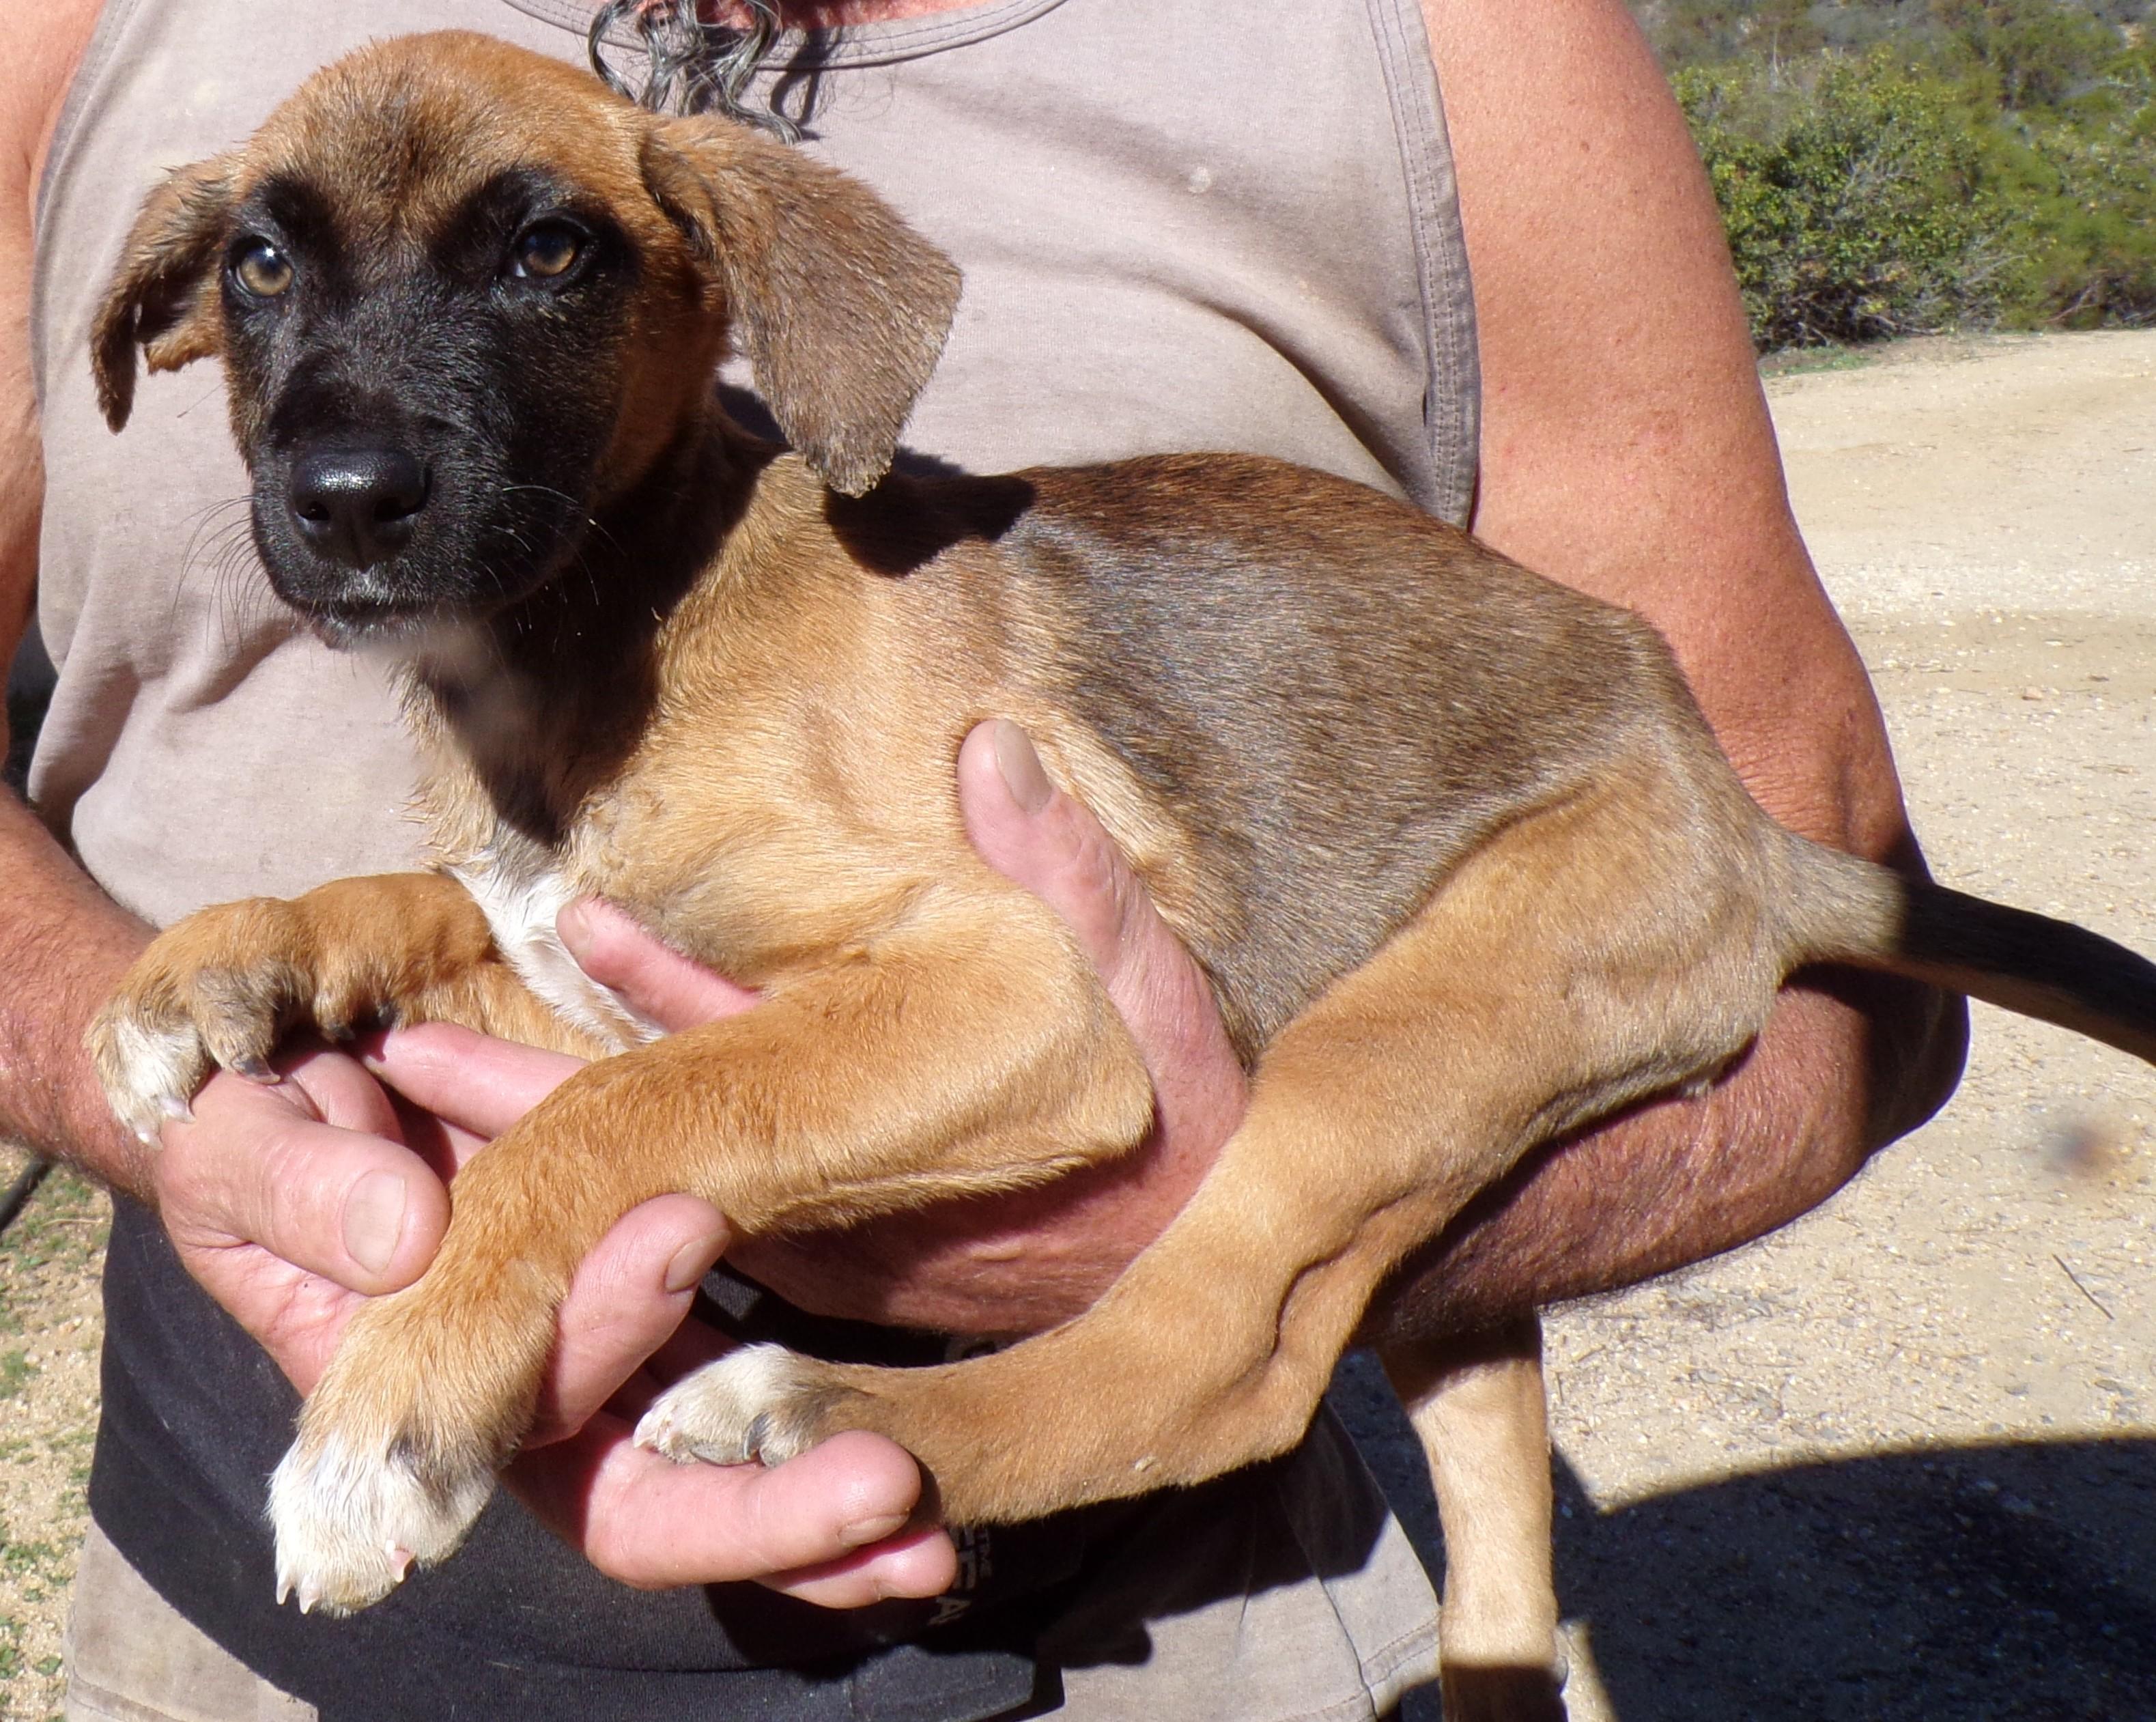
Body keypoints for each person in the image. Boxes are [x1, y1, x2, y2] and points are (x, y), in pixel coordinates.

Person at [0, 0, 1966, 1717]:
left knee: (1394, 1064)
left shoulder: (1450, 43)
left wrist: (1265, 1233)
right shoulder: (71, 34)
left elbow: (1810, 920)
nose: (349, 456)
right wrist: (162, 1057)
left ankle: (1190, 1419)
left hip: (1160, 1611)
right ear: (185, 310)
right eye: (266, 269)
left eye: (541, 254)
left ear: (715, 287)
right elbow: (596, 943)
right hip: (242, 1559)